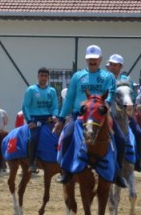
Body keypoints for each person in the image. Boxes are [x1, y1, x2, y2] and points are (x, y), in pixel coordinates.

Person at [54, 45, 127, 187]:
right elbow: (69, 98)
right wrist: (61, 119)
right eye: (89, 59)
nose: (92, 61)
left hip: (101, 116)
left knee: (121, 139)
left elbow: (110, 94)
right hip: (80, 116)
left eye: (95, 59)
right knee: (67, 136)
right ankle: (66, 171)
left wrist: (103, 106)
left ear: (100, 59)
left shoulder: (108, 77)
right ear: (86, 60)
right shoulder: (78, 76)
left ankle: (117, 173)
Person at [22, 67, 59, 174]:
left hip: (48, 119)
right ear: (38, 77)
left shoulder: (52, 91)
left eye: (45, 76)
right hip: (35, 119)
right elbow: (25, 106)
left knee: (59, 135)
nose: (43, 78)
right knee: (33, 137)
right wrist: (29, 121)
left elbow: (55, 106)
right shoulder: (31, 90)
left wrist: (55, 115)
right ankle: (31, 163)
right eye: (41, 76)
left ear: (48, 77)